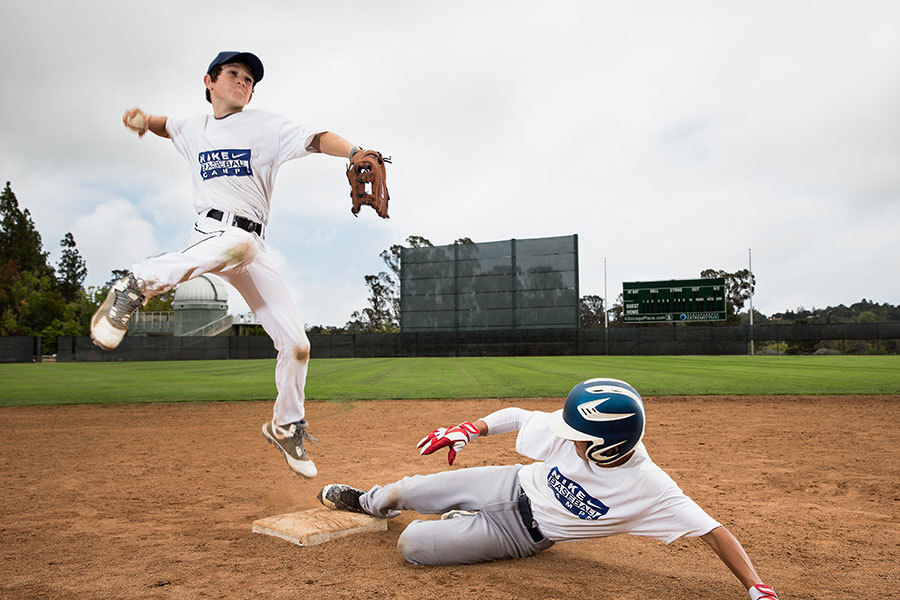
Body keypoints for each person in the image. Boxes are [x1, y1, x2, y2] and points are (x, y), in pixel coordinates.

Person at [91, 51, 376, 479]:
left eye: (249, 79)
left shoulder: (266, 125)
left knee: (297, 345)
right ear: (209, 81)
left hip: (251, 245)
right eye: (234, 74)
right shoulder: (192, 126)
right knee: (237, 245)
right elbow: (165, 126)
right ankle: (136, 284)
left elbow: (318, 138)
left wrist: (354, 151)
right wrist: (142, 121)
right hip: (212, 233)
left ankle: (285, 424)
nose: (243, 82)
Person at [317, 378, 779, 600]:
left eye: (579, 437)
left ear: (607, 447)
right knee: (408, 490)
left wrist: (757, 586)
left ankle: (458, 523)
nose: (567, 436)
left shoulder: (651, 488)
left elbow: (713, 531)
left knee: (413, 544)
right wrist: (468, 430)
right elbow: (518, 416)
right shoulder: (573, 435)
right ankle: (369, 502)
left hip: (521, 537)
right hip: (506, 481)